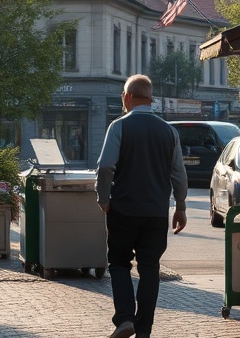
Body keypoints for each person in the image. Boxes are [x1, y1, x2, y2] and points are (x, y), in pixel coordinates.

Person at [96, 74, 188, 338]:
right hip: (156, 213)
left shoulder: (119, 126)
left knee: (119, 263)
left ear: (127, 97)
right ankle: (144, 330)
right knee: (150, 268)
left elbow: (105, 167)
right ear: (151, 99)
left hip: (123, 210)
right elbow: (178, 174)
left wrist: (103, 199)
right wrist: (180, 206)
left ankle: (125, 318)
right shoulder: (169, 131)